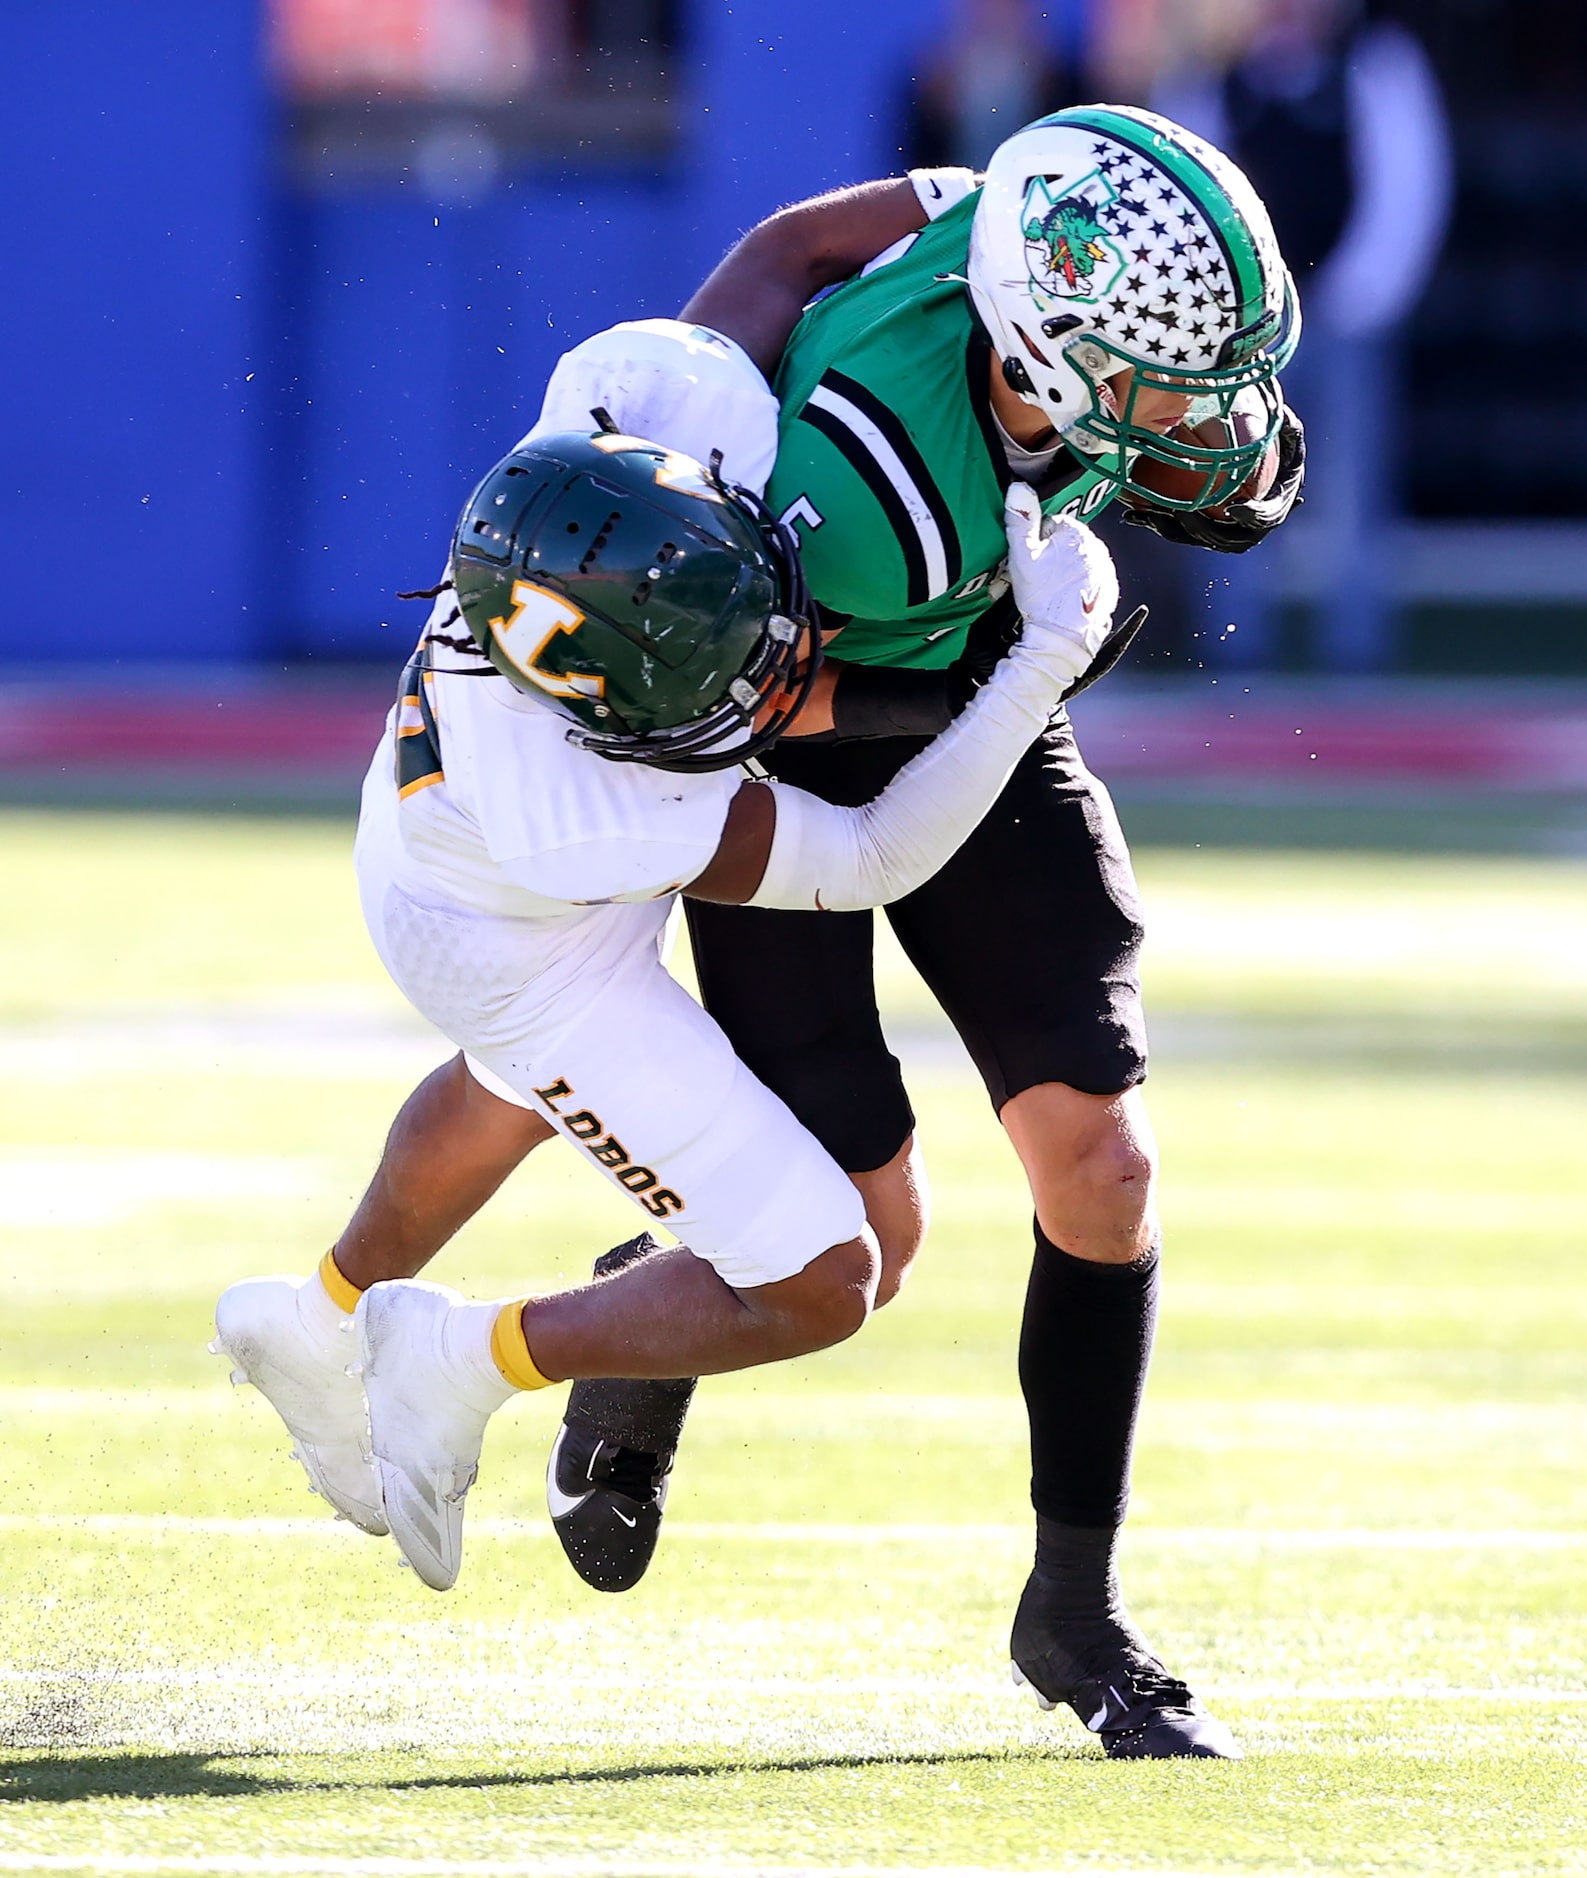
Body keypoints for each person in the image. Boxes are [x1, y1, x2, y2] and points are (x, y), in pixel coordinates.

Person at [245, 104, 1301, 1762]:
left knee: (1101, 1168)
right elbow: (832, 754)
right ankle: (615, 1329)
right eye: (1159, 379)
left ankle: (1074, 1605)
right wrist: (1035, 657)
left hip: (967, 681)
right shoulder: (861, 500)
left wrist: (1186, 468)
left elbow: (791, 248)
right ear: (1046, 348)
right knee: (859, 1243)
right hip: (805, 741)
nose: (1193, 407)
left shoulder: (1001, 230)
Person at [211, 393, 1128, 1601]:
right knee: (825, 1275)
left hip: (431, 835)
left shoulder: (645, 394)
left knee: (508, 1088)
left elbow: (758, 295)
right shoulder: (594, 818)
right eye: (725, 684)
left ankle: (318, 1315)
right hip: (515, 945)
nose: (780, 678)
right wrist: (1033, 668)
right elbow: (866, 858)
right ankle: (465, 1355)